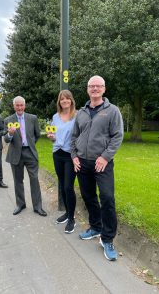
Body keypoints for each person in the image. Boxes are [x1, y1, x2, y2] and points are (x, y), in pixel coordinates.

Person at [71, 75, 123, 261]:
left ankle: (107, 238)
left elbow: (117, 136)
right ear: (87, 89)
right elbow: (74, 136)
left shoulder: (112, 111)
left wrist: (105, 157)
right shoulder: (81, 113)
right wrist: (74, 156)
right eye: (91, 86)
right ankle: (95, 227)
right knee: (88, 196)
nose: (94, 89)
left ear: (104, 89)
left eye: (98, 86)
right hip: (82, 163)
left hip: (102, 163)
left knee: (107, 198)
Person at [4, 96, 47, 216]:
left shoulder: (32, 118)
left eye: (21, 105)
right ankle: (20, 204)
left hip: (30, 153)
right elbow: (6, 139)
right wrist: (10, 133)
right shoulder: (8, 120)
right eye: (17, 105)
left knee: (34, 179)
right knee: (18, 180)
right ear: (14, 106)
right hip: (15, 154)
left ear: (25, 105)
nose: (19, 107)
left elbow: (37, 135)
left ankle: (38, 206)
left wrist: (30, 145)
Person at [47, 90, 76, 234]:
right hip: (57, 154)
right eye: (62, 99)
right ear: (59, 101)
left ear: (71, 100)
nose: (64, 101)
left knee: (68, 187)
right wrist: (51, 137)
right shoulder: (55, 117)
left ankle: (72, 218)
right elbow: (53, 135)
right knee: (62, 185)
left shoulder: (76, 116)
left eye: (67, 99)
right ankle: (66, 213)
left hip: (70, 155)